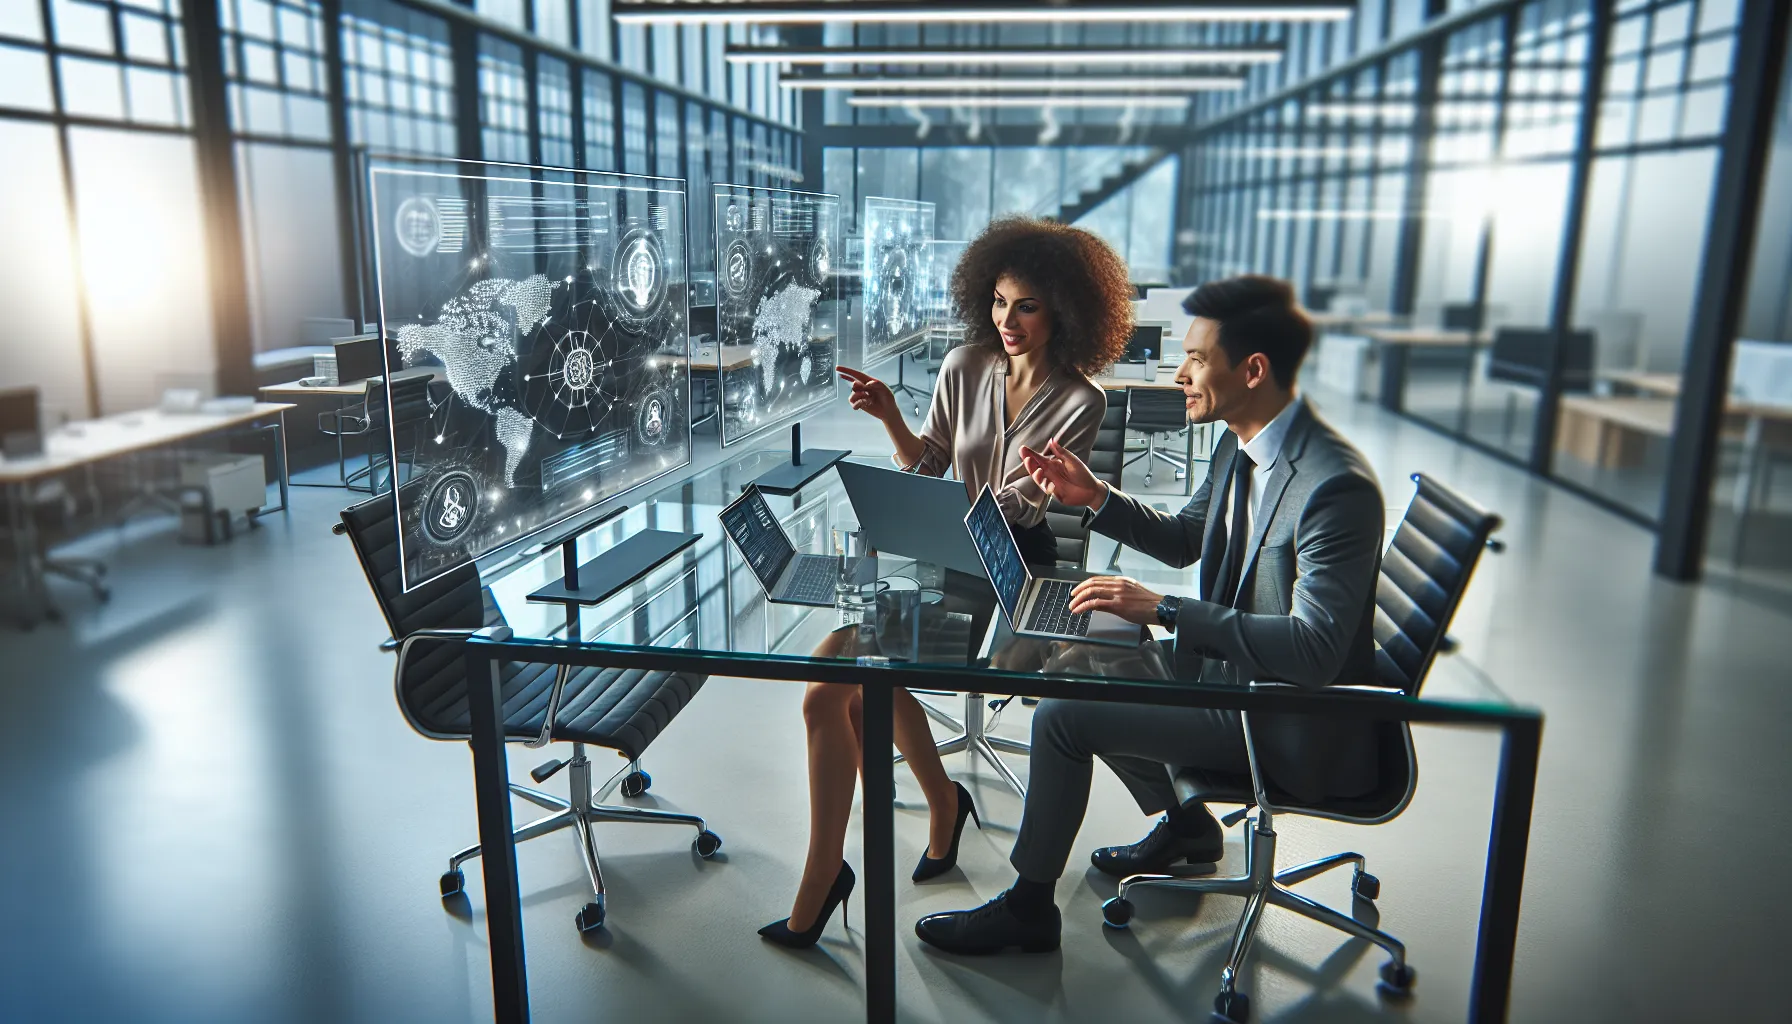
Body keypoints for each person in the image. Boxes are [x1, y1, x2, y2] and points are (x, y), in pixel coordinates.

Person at [912, 274, 1387, 955]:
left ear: (1252, 370)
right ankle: (1188, 824)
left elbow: (1314, 651)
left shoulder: (1333, 487)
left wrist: (1165, 608)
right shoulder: (1244, 442)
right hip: (1228, 674)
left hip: (1283, 715)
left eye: (1195, 358)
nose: (1179, 374)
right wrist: (1095, 497)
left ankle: (1028, 908)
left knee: (1062, 716)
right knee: (1075, 657)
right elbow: (1188, 537)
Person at [759, 217, 1134, 948]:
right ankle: (925, 811)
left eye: (1026, 306)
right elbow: (927, 462)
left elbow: (1025, 504)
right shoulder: (964, 365)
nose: (1007, 321)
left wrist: (952, 505)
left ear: (1064, 309)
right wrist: (892, 420)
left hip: (1010, 559)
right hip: (939, 540)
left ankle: (844, 863)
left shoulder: (1081, 400)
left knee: (853, 678)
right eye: (998, 302)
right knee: (830, 682)